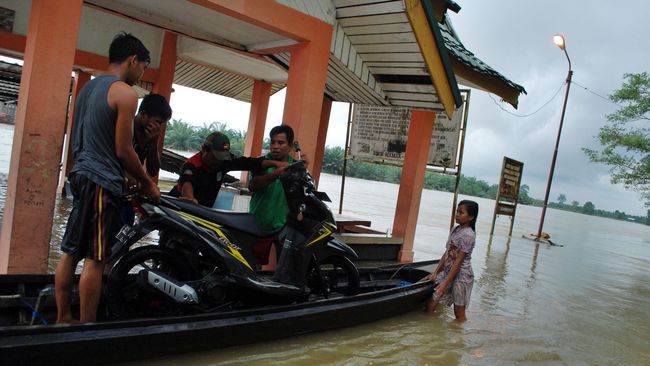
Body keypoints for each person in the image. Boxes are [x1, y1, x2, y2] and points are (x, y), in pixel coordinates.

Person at [54, 32, 161, 324]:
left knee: (69, 251)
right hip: (102, 184)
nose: (141, 74)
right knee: (96, 259)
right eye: (143, 67)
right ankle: (87, 326)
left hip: (80, 177)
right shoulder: (125, 94)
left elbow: (86, 138)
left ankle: (63, 318)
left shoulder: (87, 89)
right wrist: (148, 183)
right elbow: (123, 150)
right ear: (132, 60)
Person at [169, 132, 287, 207]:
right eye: (215, 157)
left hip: (202, 211)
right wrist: (189, 198)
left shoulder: (224, 161)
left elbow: (251, 163)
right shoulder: (192, 165)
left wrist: (276, 163)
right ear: (204, 149)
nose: (218, 161)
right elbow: (187, 184)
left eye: (222, 157)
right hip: (180, 208)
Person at [426, 200, 479, 322]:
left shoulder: (469, 235)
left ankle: (459, 337)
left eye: (461, 212)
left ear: (471, 217)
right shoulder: (455, 230)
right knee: (431, 304)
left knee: (459, 313)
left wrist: (445, 283)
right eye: (457, 211)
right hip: (448, 272)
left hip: (462, 277)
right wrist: (436, 272)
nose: (457, 214)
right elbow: (447, 253)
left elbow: (458, 262)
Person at [248, 125, 298, 235]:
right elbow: (253, 186)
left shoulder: (296, 168)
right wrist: (276, 174)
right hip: (255, 226)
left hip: (282, 230)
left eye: (280, 143)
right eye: (272, 142)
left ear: (290, 146)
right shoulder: (260, 163)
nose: (275, 146)